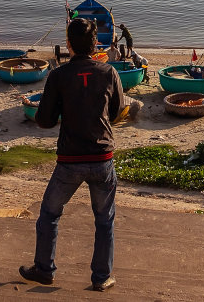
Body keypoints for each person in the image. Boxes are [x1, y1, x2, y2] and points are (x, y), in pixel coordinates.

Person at [19, 18, 125, 292]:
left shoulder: (58, 76)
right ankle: (102, 277)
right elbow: (116, 112)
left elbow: (45, 120)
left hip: (70, 161)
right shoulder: (109, 72)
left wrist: (55, 111)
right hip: (102, 158)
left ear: (68, 44)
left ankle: (44, 269)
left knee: (50, 214)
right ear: (96, 44)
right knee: (104, 219)